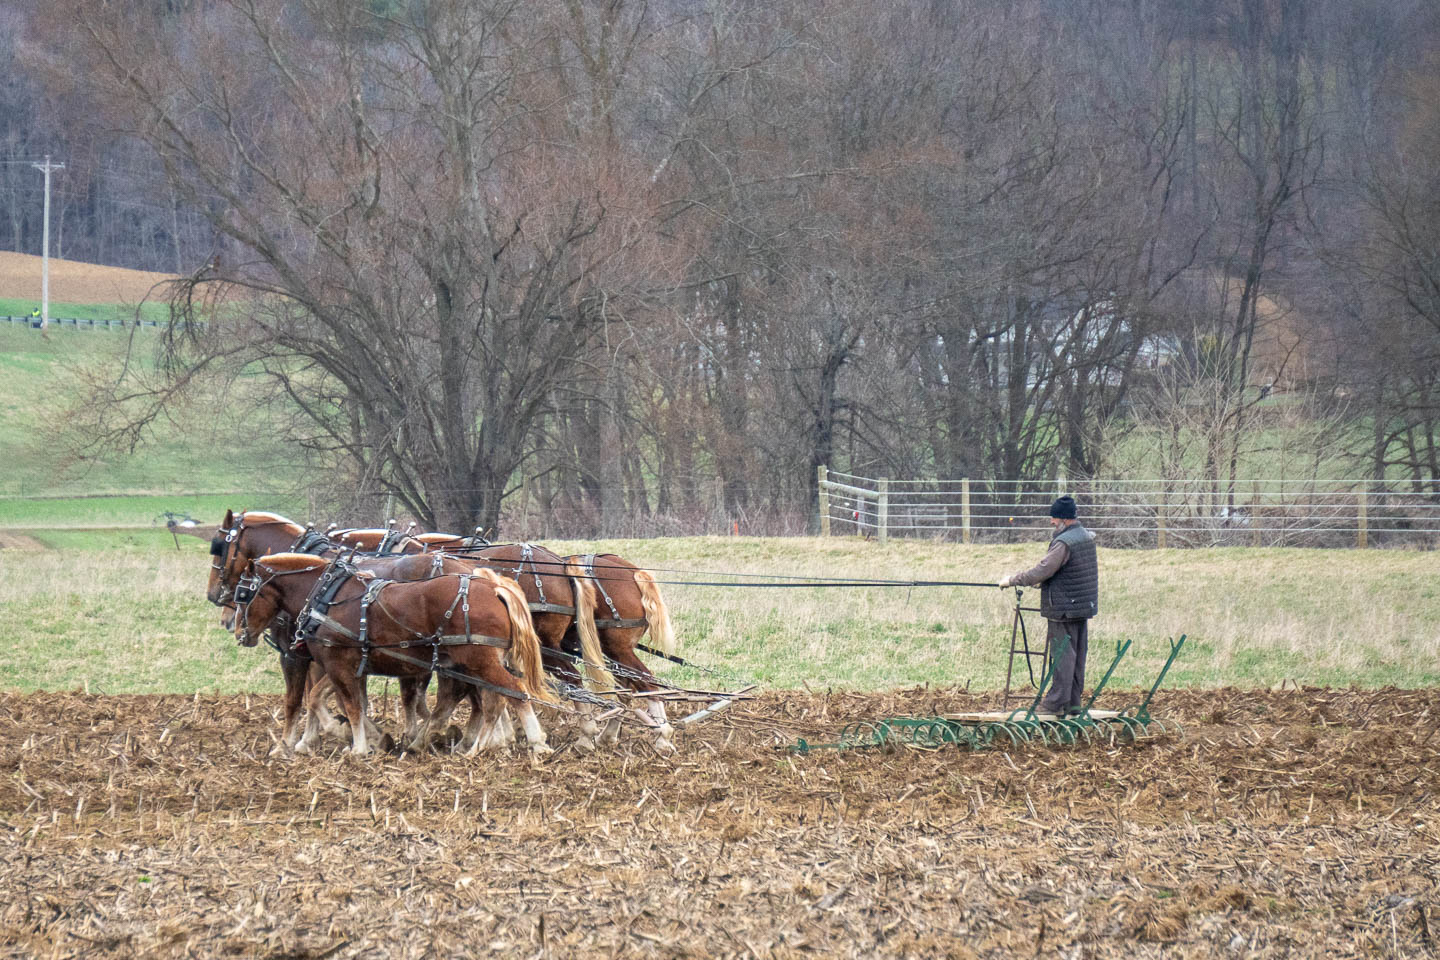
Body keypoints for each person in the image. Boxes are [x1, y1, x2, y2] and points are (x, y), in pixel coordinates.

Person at [997, 495, 1098, 716]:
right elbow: (1070, 571)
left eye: (1054, 518)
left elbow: (1044, 568)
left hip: (1063, 608)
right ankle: (1073, 702)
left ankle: (1053, 703)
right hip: (1082, 605)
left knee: (1062, 655)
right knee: (1078, 654)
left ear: (1064, 519)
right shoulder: (1085, 537)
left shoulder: (1064, 542)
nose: (1052, 522)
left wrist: (1013, 580)